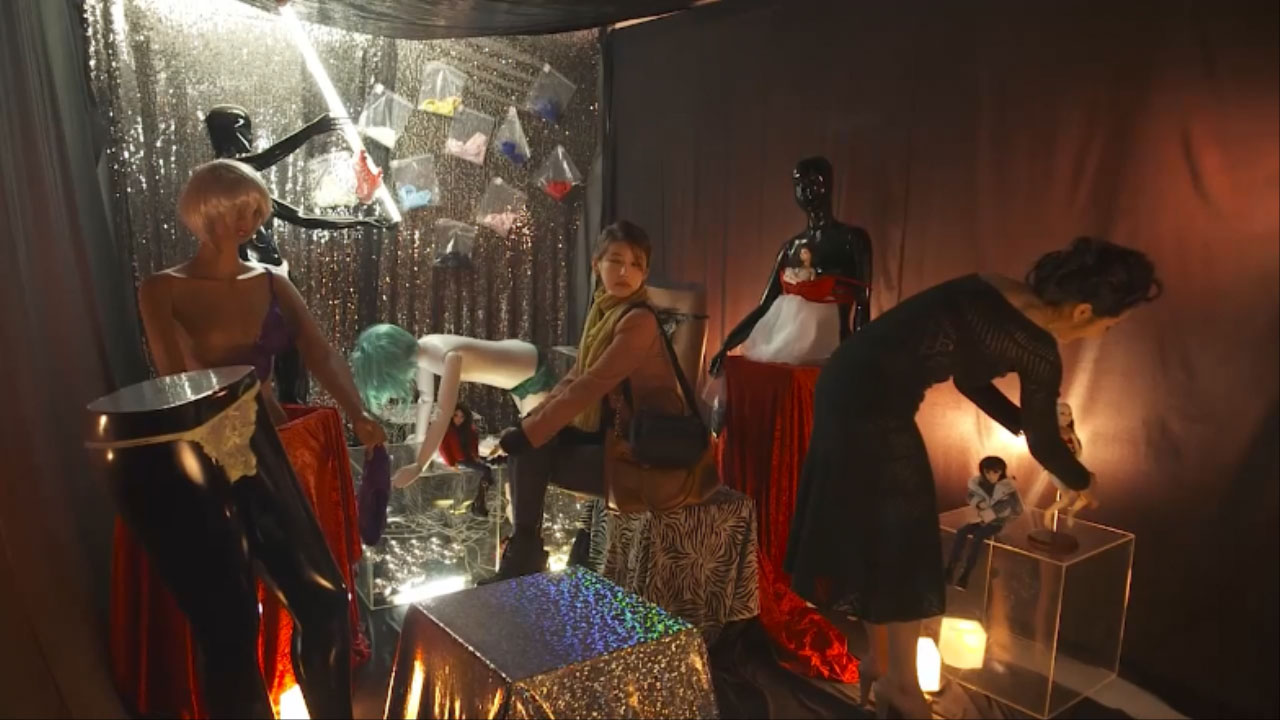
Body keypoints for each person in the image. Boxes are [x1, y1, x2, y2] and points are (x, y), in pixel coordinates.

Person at [784, 236, 1161, 718]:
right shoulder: (1038, 347)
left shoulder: (998, 288)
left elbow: (970, 379)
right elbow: (1046, 445)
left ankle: (881, 661)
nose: (1103, 334)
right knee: (907, 539)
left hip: (844, 381)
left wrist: (1023, 421)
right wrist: (1083, 480)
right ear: (1084, 311)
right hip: (873, 407)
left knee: (882, 531)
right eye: (1109, 324)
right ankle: (902, 685)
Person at [489, 220, 718, 580]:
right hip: (613, 438)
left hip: (644, 454)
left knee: (530, 449)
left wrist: (530, 433)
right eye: (616, 261)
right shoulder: (605, 312)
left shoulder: (638, 321)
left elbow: (591, 385)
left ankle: (524, 556)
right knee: (528, 444)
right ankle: (524, 552)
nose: (625, 272)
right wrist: (528, 425)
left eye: (636, 264)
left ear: (645, 273)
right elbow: (573, 378)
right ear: (597, 265)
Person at [138, 158, 386, 444]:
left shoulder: (273, 282)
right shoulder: (161, 289)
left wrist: (358, 413)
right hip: (211, 442)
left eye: (256, 211)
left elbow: (320, 353)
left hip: (277, 436)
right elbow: (173, 381)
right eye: (238, 210)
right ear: (206, 209)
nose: (249, 220)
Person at [945, 456, 1023, 590]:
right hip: (978, 518)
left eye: (995, 472)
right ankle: (950, 568)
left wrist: (991, 514)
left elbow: (1012, 507)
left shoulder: (1007, 487)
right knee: (961, 532)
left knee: (978, 537)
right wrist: (979, 503)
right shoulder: (978, 483)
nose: (991, 476)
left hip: (996, 522)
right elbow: (969, 496)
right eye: (988, 472)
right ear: (983, 472)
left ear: (1001, 472)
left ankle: (966, 573)